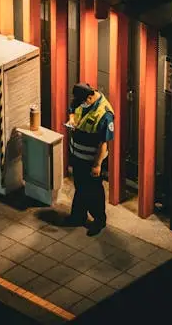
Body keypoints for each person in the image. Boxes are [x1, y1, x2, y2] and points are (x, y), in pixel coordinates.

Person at [63, 83, 114, 236]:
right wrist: (72, 119)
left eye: (85, 101)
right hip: (78, 156)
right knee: (80, 186)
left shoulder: (104, 114)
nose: (82, 104)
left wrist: (97, 165)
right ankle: (78, 216)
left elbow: (103, 143)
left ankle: (99, 220)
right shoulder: (82, 98)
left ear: (91, 97)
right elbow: (73, 106)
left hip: (91, 161)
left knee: (94, 191)